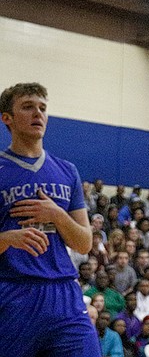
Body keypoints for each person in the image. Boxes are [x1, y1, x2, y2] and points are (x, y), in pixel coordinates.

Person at [0, 82, 101, 357]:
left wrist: (56, 214)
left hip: (64, 293)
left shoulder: (67, 170)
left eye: (43, 108)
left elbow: (83, 244)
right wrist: (6, 239)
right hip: (13, 293)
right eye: (28, 107)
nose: (38, 114)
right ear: (6, 118)